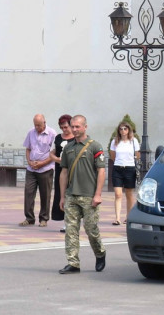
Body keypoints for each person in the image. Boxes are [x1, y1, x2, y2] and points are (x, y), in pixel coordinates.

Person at [57, 115, 107, 274]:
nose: (74, 129)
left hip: (89, 196)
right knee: (71, 230)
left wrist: (98, 194)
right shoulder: (68, 148)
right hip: (72, 195)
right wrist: (62, 196)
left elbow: (101, 171)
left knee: (91, 229)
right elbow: (63, 172)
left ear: (85, 127)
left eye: (77, 126)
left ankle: (100, 253)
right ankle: (73, 262)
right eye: (72, 126)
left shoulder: (95, 146)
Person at [22, 114, 57, 228]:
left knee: (45, 194)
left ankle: (44, 219)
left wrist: (42, 163)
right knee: (28, 192)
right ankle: (29, 218)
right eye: (35, 125)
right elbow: (28, 149)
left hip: (46, 169)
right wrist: (29, 161)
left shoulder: (52, 133)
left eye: (39, 125)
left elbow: (54, 153)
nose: (37, 127)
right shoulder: (31, 132)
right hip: (31, 169)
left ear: (44, 123)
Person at [109, 121, 141, 226]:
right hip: (118, 168)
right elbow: (112, 155)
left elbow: (137, 154)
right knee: (118, 194)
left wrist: (130, 160)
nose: (123, 131)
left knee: (129, 194)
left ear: (129, 130)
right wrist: (119, 162)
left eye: (125, 129)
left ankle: (128, 217)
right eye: (121, 129)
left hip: (130, 168)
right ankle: (117, 218)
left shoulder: (133, 141)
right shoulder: (115, 141)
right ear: (118, 130)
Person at [48, 114, 74, 228]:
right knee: (61, 194)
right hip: (60, 170)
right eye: (62, 127)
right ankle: (65, 220)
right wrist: (56, 159)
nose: (64, 129)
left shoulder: (76, 138)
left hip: (72, 170)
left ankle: (71, 221)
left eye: (66, 127)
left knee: (72, 194)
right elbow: (53, 152)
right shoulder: (58, 137)